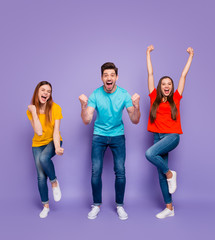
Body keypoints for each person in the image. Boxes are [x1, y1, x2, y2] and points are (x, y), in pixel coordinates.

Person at [79, 62, 141, 220]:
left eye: (112, 75)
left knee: (120, 171)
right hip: (99, 135)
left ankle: (120, 206)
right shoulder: (95, 95)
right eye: (106, 75)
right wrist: (83, 106)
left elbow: (134, 120)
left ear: (116, 77)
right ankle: (96, 205)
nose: (109, 78)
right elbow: (87, 120)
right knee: (96, 171)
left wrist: (137, 106)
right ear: (101, 78)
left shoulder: (124, 94)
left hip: (118, 135)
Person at [145, 45, 194, 218]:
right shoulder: (153, 97)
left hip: (172, 136)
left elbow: (183, 75)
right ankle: (169, 208)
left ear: (172, 87)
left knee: (150, 154)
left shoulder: (176, 97)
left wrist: (190, 56)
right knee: (160, 175)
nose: (166, 86)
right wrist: (148, 54)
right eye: (164, 83)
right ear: (160, 86)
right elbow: (150, 74)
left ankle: (170, 173)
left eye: (169, 84)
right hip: (157, 136)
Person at [27, 81, 64, 218]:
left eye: (48, 91)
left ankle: (54, 182)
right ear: (37, 92)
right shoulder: (31, 110)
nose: (46, 93)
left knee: (44, 158)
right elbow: (38, 132)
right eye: (43, 90)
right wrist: (34, 113)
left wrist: (57, 147)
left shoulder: (56, 108)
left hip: (53, 141)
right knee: (41, 177)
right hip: (37, 144)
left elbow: (56, 132)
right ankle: (46, 206)